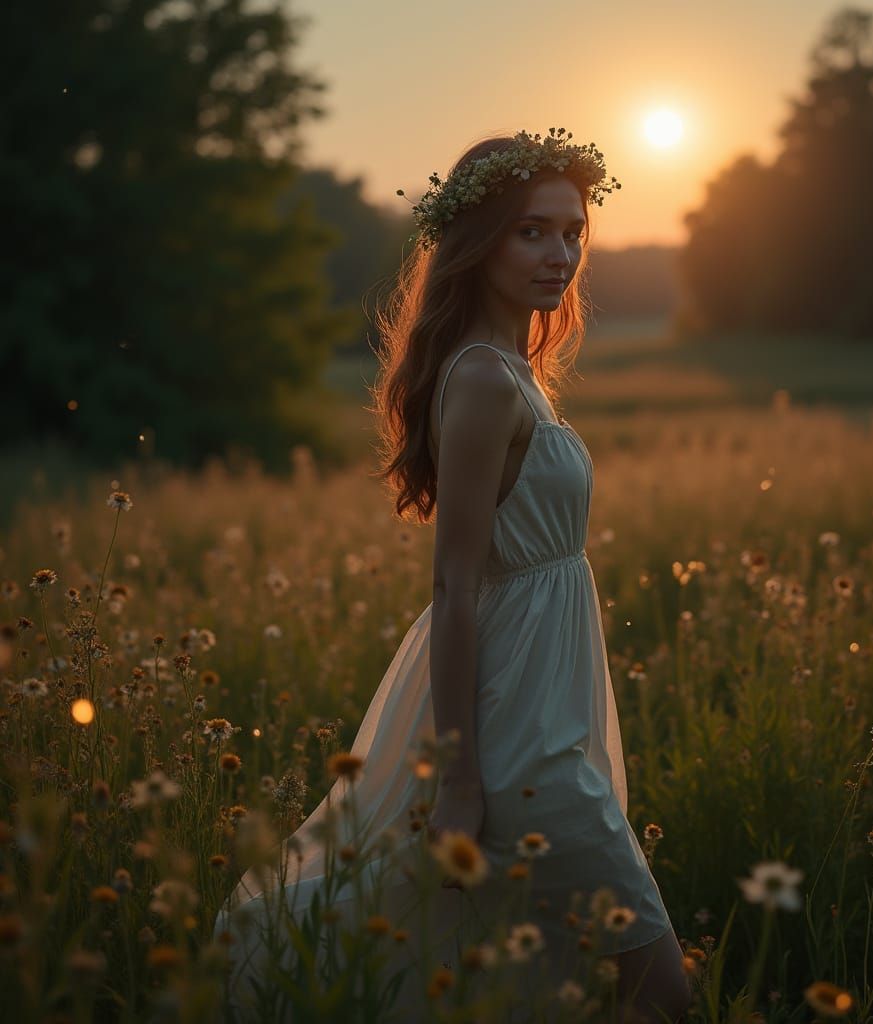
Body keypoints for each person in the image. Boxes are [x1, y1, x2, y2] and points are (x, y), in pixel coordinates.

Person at [214, 128, 691, 1023]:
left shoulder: (517, 370)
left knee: (539, 979)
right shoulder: (481, 379)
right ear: (477, 242)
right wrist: (463, 781)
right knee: (660, 991)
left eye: (572, 232)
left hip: (548, 706)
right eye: (531, 232)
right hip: (522, 734)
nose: (560, 255)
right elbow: (454, 586)